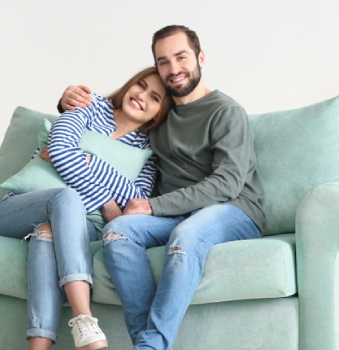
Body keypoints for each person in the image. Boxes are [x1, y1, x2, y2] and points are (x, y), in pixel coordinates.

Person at [58, 25, 266, 350]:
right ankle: (147, 343)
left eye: (181, 57)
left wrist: (153, 206)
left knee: (186, 238)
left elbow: (227, 182)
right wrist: (66, 100)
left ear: (200, 57)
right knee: (118, 232)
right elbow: (110, 115)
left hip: (234, 209)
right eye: (163, 61)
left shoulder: (226, 112)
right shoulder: (159, 114)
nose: (173, 68)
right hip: (176, 212)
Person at [0, 66, 172, 350]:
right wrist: (107, 200)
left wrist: (90, 162)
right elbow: (61, 146)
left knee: (45, 235)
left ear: (159, 114)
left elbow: (136, 199)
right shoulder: (90, 107)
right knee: (66, 198)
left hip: (81, 225)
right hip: (19, 207)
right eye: (141, 85)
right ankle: (84, 318)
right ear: (129, 84)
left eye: (155, 98)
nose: (141, 96)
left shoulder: (148, 152)